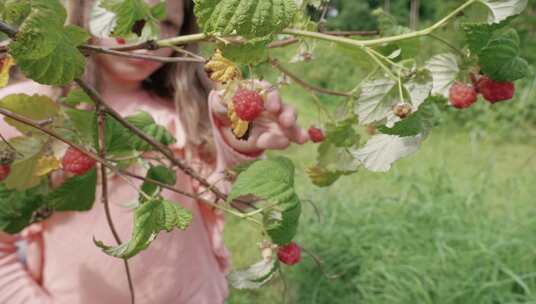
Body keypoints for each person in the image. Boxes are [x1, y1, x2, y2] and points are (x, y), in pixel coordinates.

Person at [0, 0, 308, 303]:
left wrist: (241, 144)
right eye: (129, 9)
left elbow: (237, 198)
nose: (149, 33)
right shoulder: (24, 116)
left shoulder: (185, 114)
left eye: (168, 22)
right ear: (83, 8)